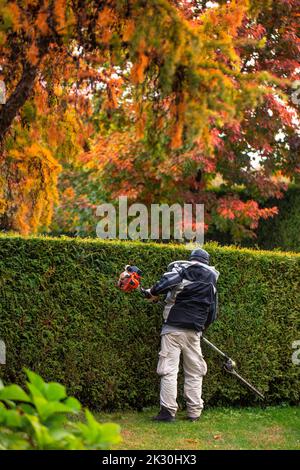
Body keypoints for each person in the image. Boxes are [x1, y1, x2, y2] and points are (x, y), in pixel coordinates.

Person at [144, 248, 219, 422]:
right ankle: (194, 412)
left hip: (173, 328)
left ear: (192, 259)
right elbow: (212, 312)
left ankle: (168, 413)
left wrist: (151, 292)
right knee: (195, 371)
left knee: (169, 370)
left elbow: (166, 282)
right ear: (206, 263)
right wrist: (201, 328)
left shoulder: (184, 269)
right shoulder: (212, 280)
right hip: (195, 332)